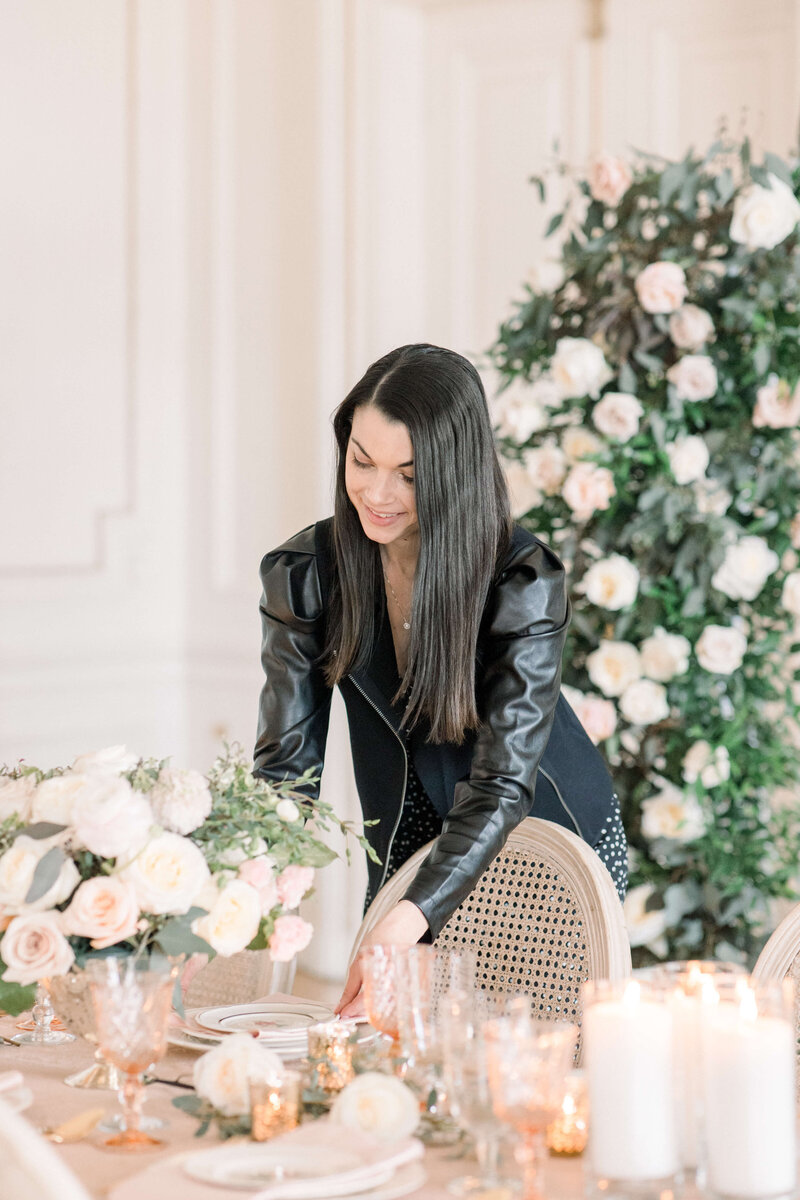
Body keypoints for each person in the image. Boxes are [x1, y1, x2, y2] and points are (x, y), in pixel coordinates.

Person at [254, 344, 626, 1017]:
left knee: (532, 1064)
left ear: (452, 474)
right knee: (398, 1056)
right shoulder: (305, 574)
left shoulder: (521, 580)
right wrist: (237, 888)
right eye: (361, 460)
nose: (375, 493)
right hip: (408, 839)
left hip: (542, 842)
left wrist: (407, 919)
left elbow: (503, 785)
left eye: (408, 475)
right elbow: (285, 771)